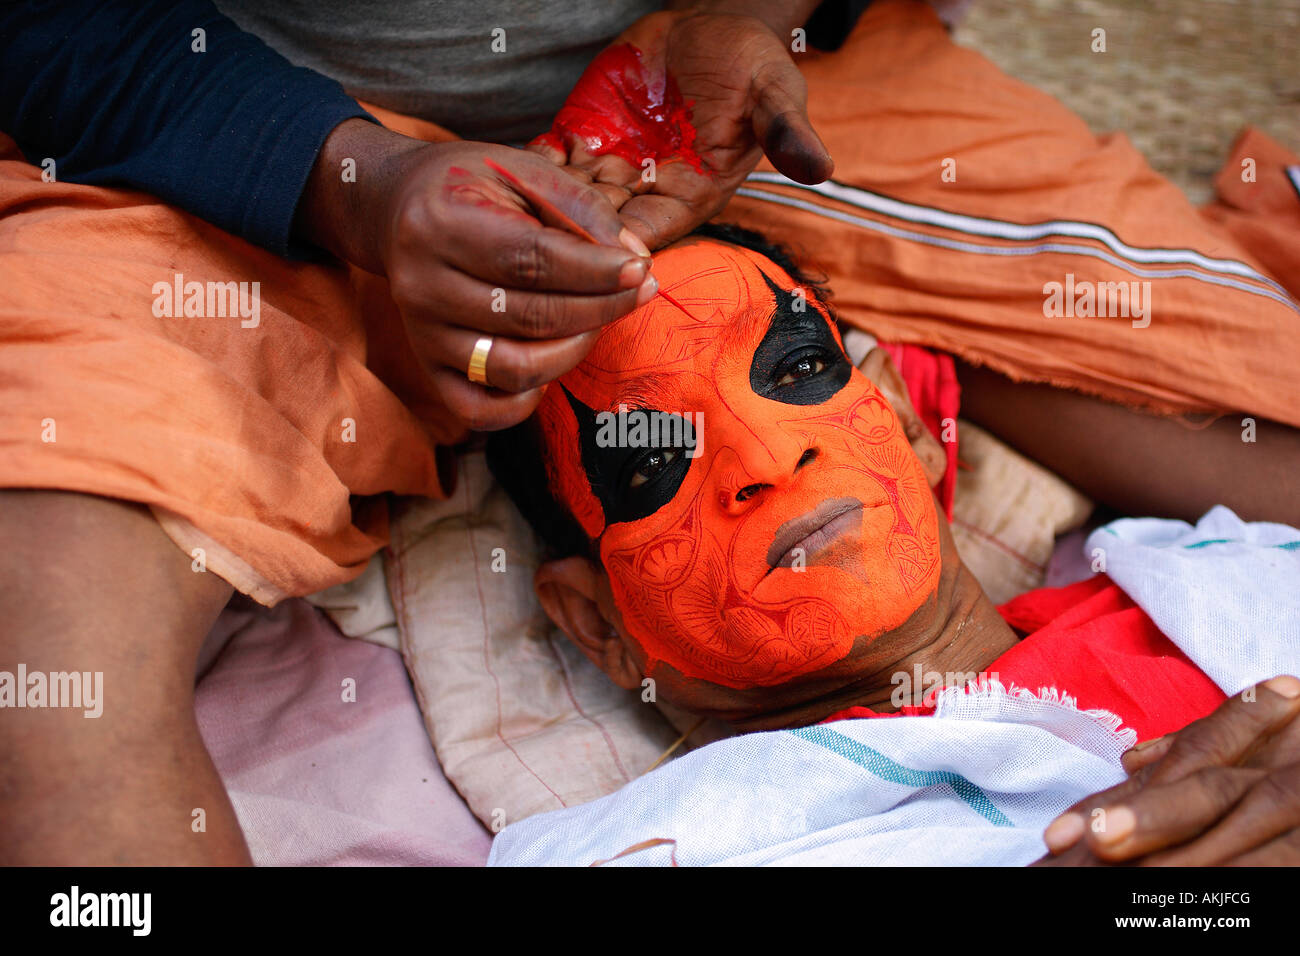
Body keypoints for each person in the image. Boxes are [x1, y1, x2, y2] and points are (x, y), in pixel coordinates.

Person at [485, 227, 1300, 864]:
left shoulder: (1233, 573)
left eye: (798, 369)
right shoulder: (663, 847)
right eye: (653, 459)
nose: (767, 457)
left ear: (910, 426)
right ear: (597, 627)